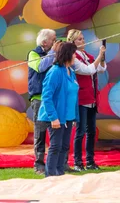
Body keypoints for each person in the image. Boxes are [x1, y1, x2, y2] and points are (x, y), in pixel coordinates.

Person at [37, 42, 80, 177]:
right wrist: (53, 117)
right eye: (74, 54)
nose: (75, 56)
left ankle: (60, 174)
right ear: (67, 54)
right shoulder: (55, 71)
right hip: (55, 117)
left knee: (64, 147)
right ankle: (50, 177)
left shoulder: (71, 72)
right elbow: (47, 96)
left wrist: (73, 117)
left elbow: (72, 95)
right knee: (55, 147)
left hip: (67, 117)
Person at [66, 29, 107, 171]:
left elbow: (101, 68)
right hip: (81, 99)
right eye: (79, 39)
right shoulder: (73, 57)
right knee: (80, 131)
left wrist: (102, 57)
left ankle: (90, 161)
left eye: (83, 39)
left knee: (91, 132)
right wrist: (99, 55)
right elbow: (88, 70)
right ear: (72, 42)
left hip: (92, 98)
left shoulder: (87, 55)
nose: (83, 41)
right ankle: (78, 162)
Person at [27, 29, 57, 174]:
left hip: (52, 98)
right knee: (40, 132)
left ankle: (56, 164)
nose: (55, 42)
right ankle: (38, 164)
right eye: (53, 39)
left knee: (56, 131)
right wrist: (53, 53)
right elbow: (40, 67)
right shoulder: (33, 54)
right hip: (39, 98)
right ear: (45, 42)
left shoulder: (54, 54)